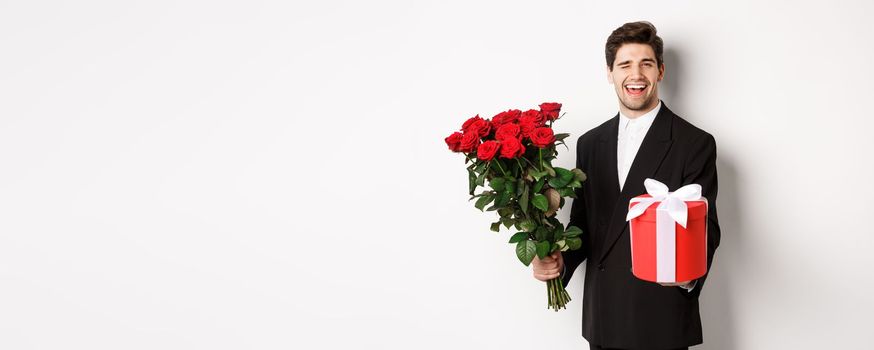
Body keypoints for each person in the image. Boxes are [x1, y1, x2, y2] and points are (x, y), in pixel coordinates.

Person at [531, 21, 721, 350]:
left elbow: (708, 229)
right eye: (625, 65)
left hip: (662, 318)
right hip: (603, 319)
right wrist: (557, 260)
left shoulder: (694, 143)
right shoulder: (590, 143)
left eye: (646, 64)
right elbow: (584, 226)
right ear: (610, 73)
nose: (636, 75)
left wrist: (687, 276)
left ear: (660, 71)